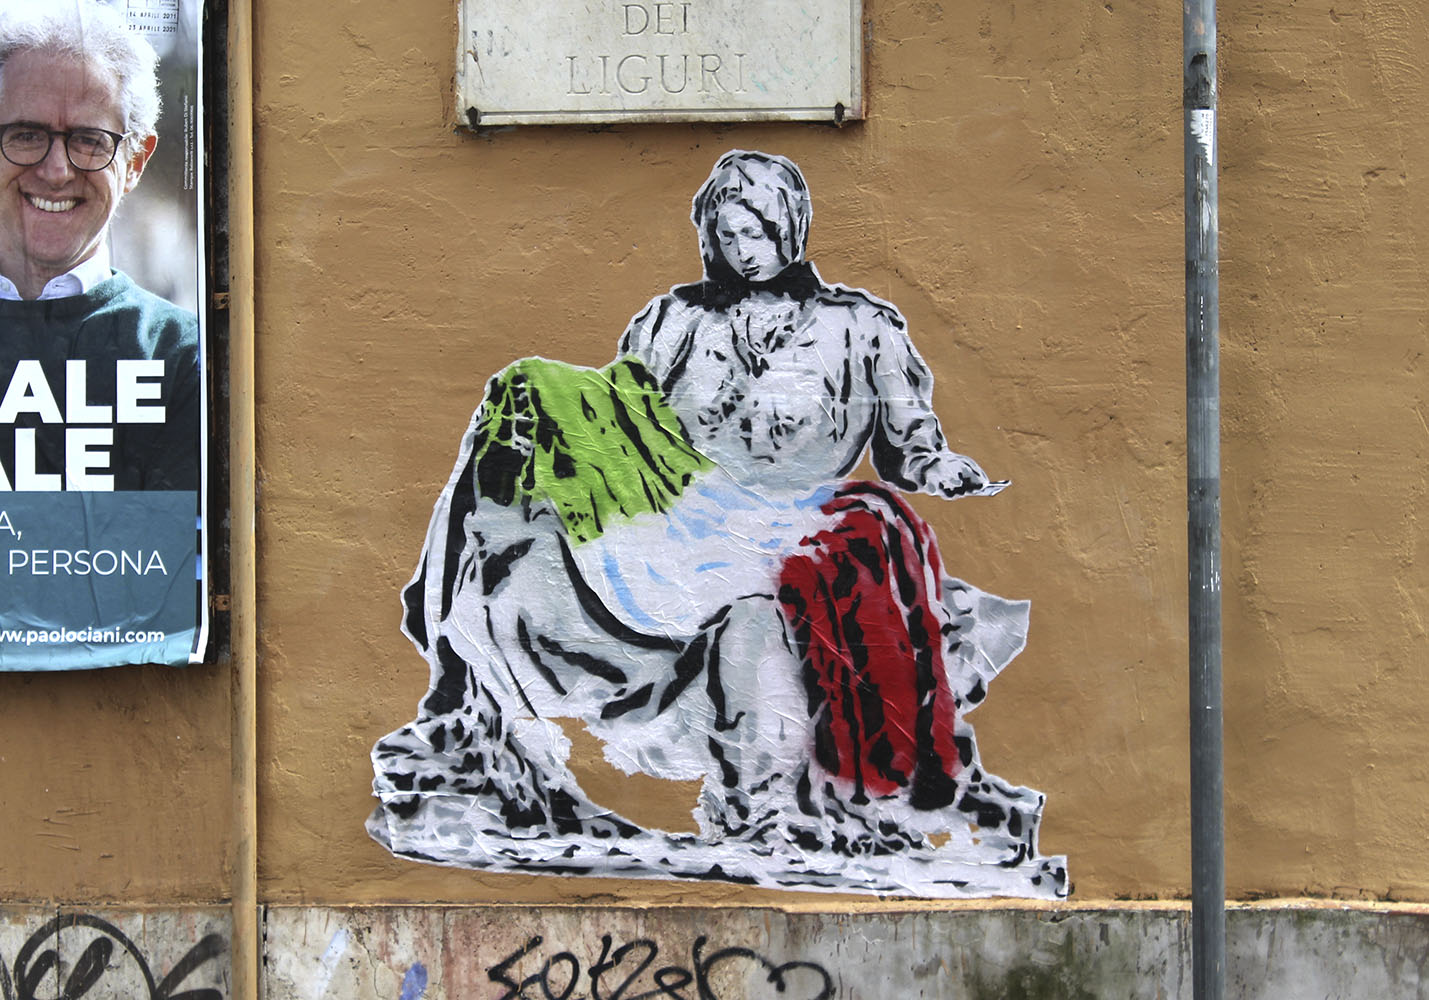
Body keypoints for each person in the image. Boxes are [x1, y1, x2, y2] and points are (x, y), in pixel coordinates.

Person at [370, 151, 1064, 897]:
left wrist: (942, 468)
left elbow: (908, 445)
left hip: (790, 526)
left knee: (773, 612)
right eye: (727, 235)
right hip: (675, 530)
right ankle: (473, 701)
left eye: (755, 232)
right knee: (526, 415)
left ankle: (773, 804)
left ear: (789, 228)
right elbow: (624, 431)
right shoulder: (672, 321)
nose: (742, 250)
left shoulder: (861, 327)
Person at [0, 0, 199, 492]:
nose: (56, 171)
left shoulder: (181, 356)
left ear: (135, 162)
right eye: (26, 135)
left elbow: (161, 541)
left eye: (90, 140)